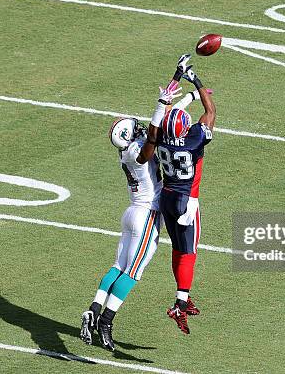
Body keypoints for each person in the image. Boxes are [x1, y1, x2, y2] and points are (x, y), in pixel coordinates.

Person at [80, 55, 195, 350]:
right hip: (145, 215)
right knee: (132, 272)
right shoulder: (137, 153)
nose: (142, 128)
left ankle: (92, 311)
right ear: (131, 136)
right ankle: (106, 322)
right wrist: (164, 102)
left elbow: (162, 127)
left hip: (132, 212)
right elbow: (155, 135)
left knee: (118, 266)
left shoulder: (126, 152)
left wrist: (179, 83)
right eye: (136, 128)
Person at [156, 61, 216, 334]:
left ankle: (183, 297)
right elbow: (210, 110)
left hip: (166, 197)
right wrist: (196, 81)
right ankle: (180, 303)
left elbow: (166, 109)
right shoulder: (194, 138)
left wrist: (177, 76)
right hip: (186, 201)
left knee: (177, 249)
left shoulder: (158, 136)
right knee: (189, 251)